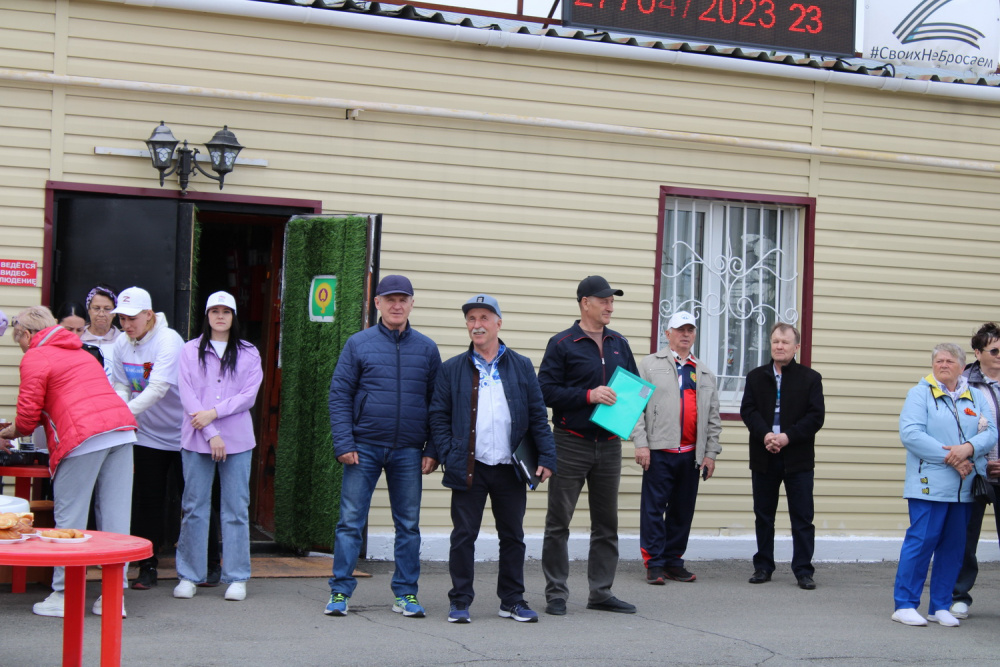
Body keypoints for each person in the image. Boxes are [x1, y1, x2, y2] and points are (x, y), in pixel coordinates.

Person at [0, 306, 137, 618]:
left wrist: (10, 431)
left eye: (19, 340)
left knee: (70, 518)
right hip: (121, 432)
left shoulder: (36, 355)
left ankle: (65, 595)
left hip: (82, 439)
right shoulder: (81, 352)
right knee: (116, 521)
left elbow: (28, 416)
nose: (21, 347)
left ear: (27, 334)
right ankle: (114, 597)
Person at [428, 294, 557, 624]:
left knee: (513, 536)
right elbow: (438, 416)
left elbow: (537, 415)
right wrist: (448, 451)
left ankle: (512, 600)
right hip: (469, 466)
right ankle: (460, 601)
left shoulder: (522, 365)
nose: (477, 325)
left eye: (484, 318)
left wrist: (547, 456)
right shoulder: (451, 368)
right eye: (471, 319)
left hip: (509, 467)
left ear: (499, 323)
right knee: (463, 536)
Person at [325, 275, 442, 617]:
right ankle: (340, 592)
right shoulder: (358, 344)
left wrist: (432, 449)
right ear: (377, 303)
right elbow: (339, 395)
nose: (397, 305)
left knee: (408, 525)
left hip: (409, 450)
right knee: (350, 522)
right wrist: (344, 442)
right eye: (390, 299)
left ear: (412, 304)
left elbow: (438, 404)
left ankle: (406, 594)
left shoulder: (427, 348)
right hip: (363, 447)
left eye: (403, 299)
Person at [538, 275, 638, 615]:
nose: (610, 306)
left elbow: (633, 387)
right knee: (558, 523)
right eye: (604, 300)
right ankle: (556, 593)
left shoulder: (619, 343)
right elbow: (544, 391)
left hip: (609, 445)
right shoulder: (562, 343)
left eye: (612, 301)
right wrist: (588, 396)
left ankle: (601, 592)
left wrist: (633, 409)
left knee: (606, 524)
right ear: (585, 303)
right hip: (570, 443)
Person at [892, 343, 996, 627]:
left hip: (964, 487)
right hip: (929, 484)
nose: (943, 365)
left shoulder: (975, 396)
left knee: (954, 547)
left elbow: (990, 432)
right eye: (938, 360)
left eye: (949, 361)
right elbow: (911, 434)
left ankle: (939, 606)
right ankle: (904, 604)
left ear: (962, 367)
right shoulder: (919, 394)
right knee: (921, 543)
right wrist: (953, 457)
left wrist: (968, 449)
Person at [173, 292, 263, 602]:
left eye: (226, 311)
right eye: (215, 311)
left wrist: (213, 413)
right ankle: (189, 575)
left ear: (234, 316)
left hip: (237, 440)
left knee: (236, 509)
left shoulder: (249, 352)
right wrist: (211, 431)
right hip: (198, 438)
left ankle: (237, 577)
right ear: (207, 315)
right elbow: (187, 395)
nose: (220, 316)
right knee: (194, 508)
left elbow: (247, 396)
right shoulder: (189, 350)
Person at [632, 311, 721, 585]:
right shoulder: (649, 365)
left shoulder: (703, 371)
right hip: (659, 453)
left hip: (691, 455)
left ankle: (673, 561)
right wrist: (641, 444)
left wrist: (710, 453)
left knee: (682, 512)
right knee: (653, 511)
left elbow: (713, 418)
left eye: (690, 330)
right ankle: (654, 564)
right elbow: (636, 408)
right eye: (680, 329)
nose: (685, 334)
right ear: (667, 333)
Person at [740, 323, 825, 590]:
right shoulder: (755, 377)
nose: (779, 346)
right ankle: (763, 566)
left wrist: (787, 436)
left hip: (798, 457)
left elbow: (816, 417)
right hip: (764, 454)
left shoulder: (810, 378)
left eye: (785, 342)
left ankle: (803, 570)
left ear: (796, 347)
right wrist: (766, 435)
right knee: (764, 515)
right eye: (775, 341)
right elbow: (748, 411)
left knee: (802, 517)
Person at [110, 286, 185, 590]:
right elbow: (120, 384)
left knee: (191, 500)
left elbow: (157, 389)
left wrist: (122, 414)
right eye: (122, 319)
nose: (126, 325)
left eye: (132, 318)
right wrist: (123, 410)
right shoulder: (121, 343)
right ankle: (147, 567)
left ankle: (205, 564)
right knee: (148, 501)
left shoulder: (169, 340)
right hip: (147, 435)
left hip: (183, 433)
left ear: (149, 315)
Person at [949, 323, 1000, 620]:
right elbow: (952, 426)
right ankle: (959, 596)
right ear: (978, 353)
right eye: (994, 350)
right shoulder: (963, 384)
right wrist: (973, 458)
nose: (999, 355)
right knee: (966, 538)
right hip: (974, 472)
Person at [80, 284, 122, 380]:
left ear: (115, 312)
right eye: (96, 308)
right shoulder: (78, 338)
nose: (101, 314)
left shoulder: (123, 340)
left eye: (107, 309)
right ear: (89, 310)